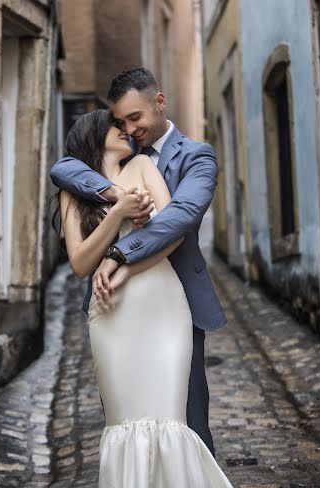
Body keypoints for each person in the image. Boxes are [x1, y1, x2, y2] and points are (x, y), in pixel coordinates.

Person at [53, 106, 232, 487]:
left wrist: (121, 268)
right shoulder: (73, 192)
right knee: (123, 420)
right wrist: (118, 212)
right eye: (115, 126)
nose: (126, 130)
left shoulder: (143, 168)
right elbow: (81, 263)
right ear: (92, 134)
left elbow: (173, 234)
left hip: (163, 304)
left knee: (170, 418)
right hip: (112, 314)